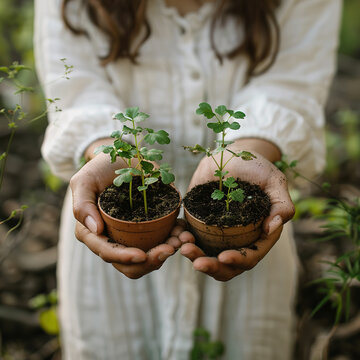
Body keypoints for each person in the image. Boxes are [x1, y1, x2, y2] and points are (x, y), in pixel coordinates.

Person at [34, 0, 341, 359]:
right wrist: (107, 151)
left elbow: (293, 83)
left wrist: (248, 148)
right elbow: (74, 90)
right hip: (109, 239)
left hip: (250, 245)